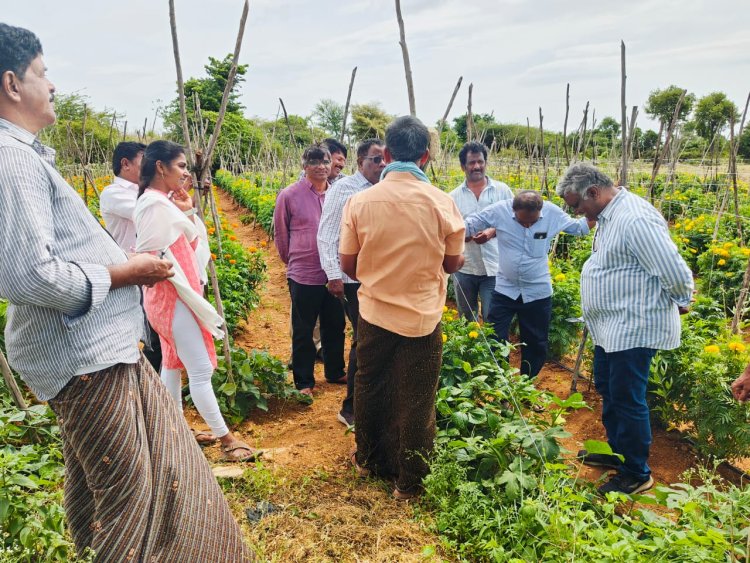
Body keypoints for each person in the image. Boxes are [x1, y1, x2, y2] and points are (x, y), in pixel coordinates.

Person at [0, 24, 249, 561]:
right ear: (12, 84)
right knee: (129, 498)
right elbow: (28, 276)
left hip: (95, 351)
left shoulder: (22, 154)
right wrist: (124, 273)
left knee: (114, 485)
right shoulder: (11, 157)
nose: (53, 86)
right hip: (84, 357)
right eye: (43, 74)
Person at [340, 116, 465, 500]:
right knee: (417, 398)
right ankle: (410, 483)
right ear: (425, 156)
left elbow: (348, 265)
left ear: (388, 154)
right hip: (423, 317)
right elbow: (451, 263)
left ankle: (370, 460)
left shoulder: (360, 201)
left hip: (374, 313)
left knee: (369, 384)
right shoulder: (442, 203)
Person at [557, 162, 693, 496]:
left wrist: (681, 297)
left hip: (633, 327)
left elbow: (672, 267)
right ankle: (618, 455)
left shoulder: (634, 218)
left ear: (593, 192)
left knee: (628, 398)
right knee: (608, 386)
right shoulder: (608, 215)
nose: (575, 211)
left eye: (576, 205)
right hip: (611, 327)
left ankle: (636, 472)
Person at [134, 140, 259, 462]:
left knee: (172, 365)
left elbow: (191, 242)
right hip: (172, 299)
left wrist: (187, 208)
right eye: (181, 166)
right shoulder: (153, 205)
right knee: (200, 370)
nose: (186, 173)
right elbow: (146, 255)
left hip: (174, 298)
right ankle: (227, 440)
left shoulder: (160, 203)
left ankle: (176, 431)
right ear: (160, 167)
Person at [465, 190, 593, 378]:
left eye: (532, 222)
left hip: (537, 291)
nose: (527, 225)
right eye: (522, 221)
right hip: (505, 289)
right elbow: (469, 224)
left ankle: (527, 385)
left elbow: (579, 227)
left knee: (536, 342)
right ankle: (501, 384)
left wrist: (597, 209)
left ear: (540, 211)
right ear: (513, 210)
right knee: (494, 336)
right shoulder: (500, 210)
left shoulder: (552, 212)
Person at [317, 138, 386, 427]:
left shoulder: (385, 190)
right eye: (375, 160)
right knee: (363, 340)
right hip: (351, 279)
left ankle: (373, 401)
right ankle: (351, 408)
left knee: (375, 339)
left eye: (385, 160)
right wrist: (334, 275)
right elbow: (326, 234)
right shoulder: (343, 190)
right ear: (360, 162)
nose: (381, 165)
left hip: (379, 277)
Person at [275, 144, 346, 397]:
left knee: (335, 324)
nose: (321, 166)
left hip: (334, 272)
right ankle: (304, 381)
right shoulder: (289, 195)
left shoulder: (337, 194)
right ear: (304, 166)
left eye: (325, 161)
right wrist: (293, 261)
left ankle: (335, 371)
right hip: (303, 273)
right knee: (304, 328)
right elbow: (281, 235)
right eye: (314, 162)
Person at [101, 141, 162, 372]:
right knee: (146, 335)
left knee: (155, 331)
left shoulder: (148, 193)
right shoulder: (113, 193)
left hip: (151, 271)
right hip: (130, 273)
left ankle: (156, 383)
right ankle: (149, 385)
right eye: (143, 163)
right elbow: (147, 212)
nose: (148, 169)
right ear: (125, 164)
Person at [449, 141, 512, 321]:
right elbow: (448, 229)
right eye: (471, 163)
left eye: (480, 161)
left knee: (493, 317)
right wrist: (464, 235)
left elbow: (515, 220)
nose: (477, 166)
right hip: (464, 267)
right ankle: (470, 349)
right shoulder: (452, 197)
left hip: (494, 267)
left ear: (485, 163)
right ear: (463, 166)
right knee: (466, 317)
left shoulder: (502, 191)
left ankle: (494, 349)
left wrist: (492, 232)